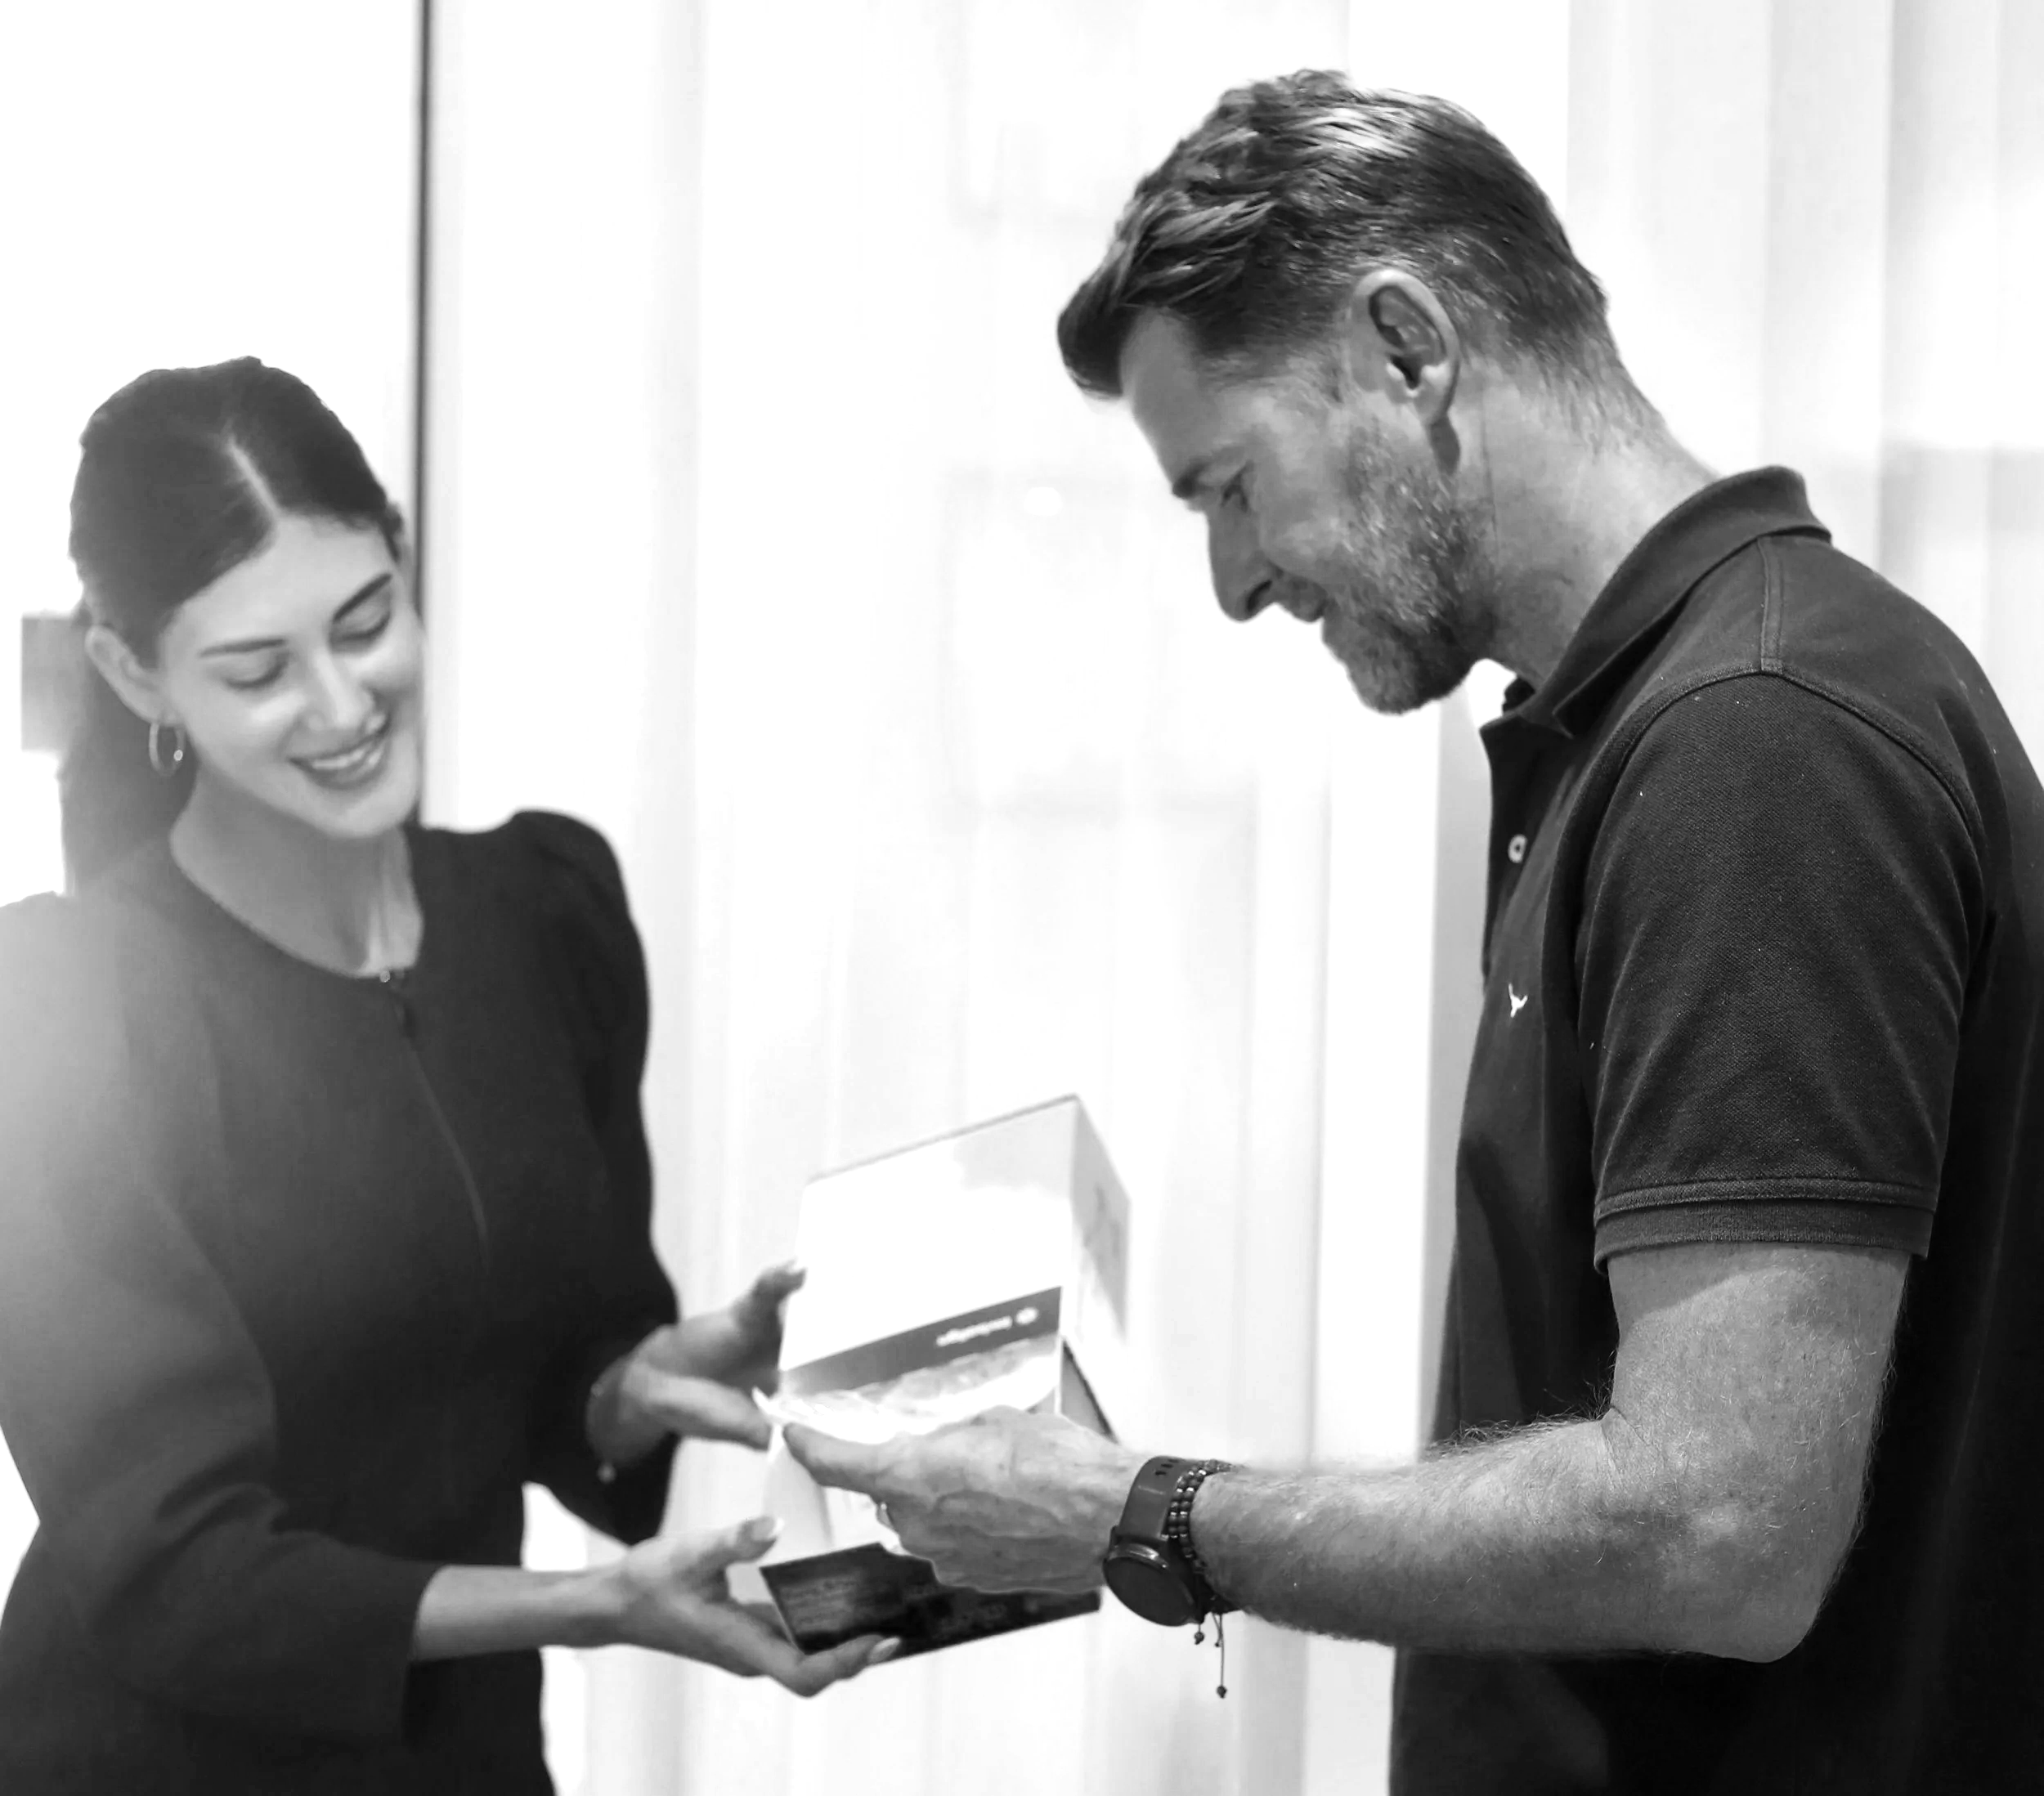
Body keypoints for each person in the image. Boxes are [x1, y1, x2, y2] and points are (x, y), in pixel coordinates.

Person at [787, 72, 2044, 1794]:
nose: (1231, 581)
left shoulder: (1754, 736)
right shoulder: (1637, 724)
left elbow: (1718, 1528)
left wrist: (1146, 1518)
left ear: (1405, 347)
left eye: (1226, 487)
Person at [0, 359, 894, 1794]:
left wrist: (641, 1379)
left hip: (463, 1759)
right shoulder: (62, 1013)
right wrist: (599, 1610)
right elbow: (172, 1566)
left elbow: (512, 1382)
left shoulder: (541, 915)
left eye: (365, 622)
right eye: (258, 668)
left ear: (403, 559)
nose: (342, 700)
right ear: (132, 674)